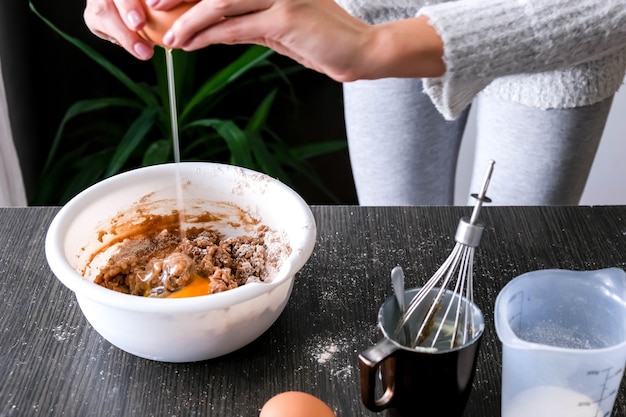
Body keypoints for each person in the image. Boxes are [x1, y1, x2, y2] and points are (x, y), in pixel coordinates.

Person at [84, 0, 626, 205]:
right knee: (397, 247)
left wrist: (377, 46)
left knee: (513, 264)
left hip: (557, 33)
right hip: (377, 8)